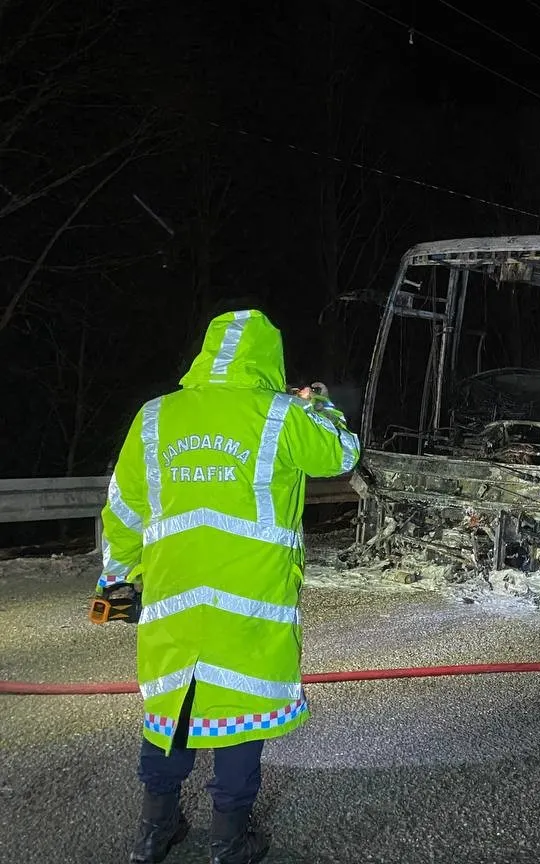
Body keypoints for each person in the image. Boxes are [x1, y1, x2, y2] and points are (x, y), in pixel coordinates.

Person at [97, 307, 360, 864]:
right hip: (251, 602)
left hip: (172, 599)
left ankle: (154, 832)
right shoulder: (283, 414)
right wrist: (321, 404)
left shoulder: (154, 416)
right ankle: (228, 842)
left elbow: (122, 508)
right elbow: (341, 454)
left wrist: (118, 580)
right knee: (239, 714)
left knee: (171, 710)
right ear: (269, 360)